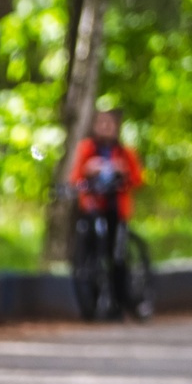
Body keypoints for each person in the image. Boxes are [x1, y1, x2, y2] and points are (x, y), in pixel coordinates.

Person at [69, 108, 146, 317]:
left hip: (116, 210)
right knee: (91, 252)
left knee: (117, 257)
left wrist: (123, 172)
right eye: (101, 124)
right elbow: (74, 178)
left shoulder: (125, 153)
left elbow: (138, 180)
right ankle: (91, 303)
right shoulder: (86, 149)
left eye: (109, 124)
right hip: (93, 209)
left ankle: (121, 304)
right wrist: (88, 170)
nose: (105, 128)